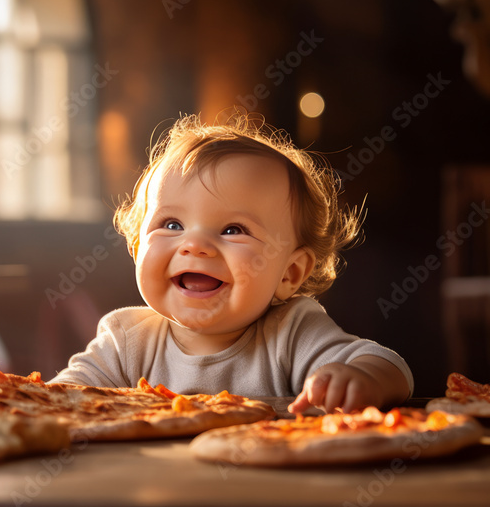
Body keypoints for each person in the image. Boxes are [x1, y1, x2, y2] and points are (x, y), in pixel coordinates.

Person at [50, 114, 413, 414]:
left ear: (290, 273)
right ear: (136, 245)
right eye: (171, 224)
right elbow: (59, 400)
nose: (195, 245)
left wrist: (360, 379)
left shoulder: (291, 333)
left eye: (233, 229)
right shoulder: (127, 340)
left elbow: (389, 367)